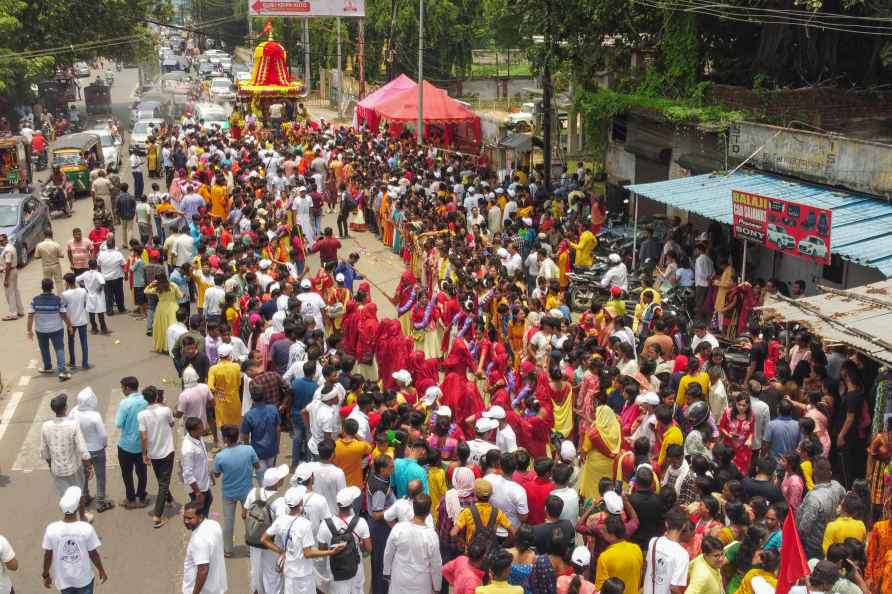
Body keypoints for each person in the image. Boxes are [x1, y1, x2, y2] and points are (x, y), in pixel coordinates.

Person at [260, 486, 344, 594]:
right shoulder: (305, 524)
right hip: (304, 576)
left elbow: (264, 539)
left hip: (289, 573)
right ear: (301, 502)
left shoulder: (280, 520)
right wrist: (331, 552)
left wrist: (281, 551)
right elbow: (308, 553)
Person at [39, 393, 94, 523]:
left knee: (65, 497)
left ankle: (71, 520)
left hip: (57, 470)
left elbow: (43, 450)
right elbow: (82, 448)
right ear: (65, 408)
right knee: (79, 494)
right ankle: (83, 518)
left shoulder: (46, 426)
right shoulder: (73, 425)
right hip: (74, 468)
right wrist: (89, 466)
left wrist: (50, 465)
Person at [42, 486, 108, 593]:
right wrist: (101, 570)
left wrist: (45, 574)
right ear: (78, 506)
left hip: (64, 581)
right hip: (84, 580)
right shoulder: (86, 529)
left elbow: (48, 555)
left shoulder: (51, 529)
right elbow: (93, 554)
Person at [212, 423, 260, 557]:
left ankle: (228, 550)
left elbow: (216, 474)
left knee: (228, 522)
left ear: (226, 439)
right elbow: (257, 465)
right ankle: (251, 549)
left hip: (229, 493)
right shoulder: (249, 449)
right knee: (249, 520)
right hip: (247, 491)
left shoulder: (220, 456)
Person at [317, 485, 372, 594]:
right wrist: (359, 545)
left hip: (335, 574)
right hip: (356, 572)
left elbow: (322, 551)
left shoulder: (325, 524)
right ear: (351, 504)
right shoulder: (361, 522)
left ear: (338, 505)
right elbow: (369, 549)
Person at [383, 493, 443, 594]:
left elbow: (388, 552)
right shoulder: (431, 536)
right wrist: (437, 587)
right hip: (421, 584)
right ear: (428, 512)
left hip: (399, 579)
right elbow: (436, 564)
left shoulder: (399, 528)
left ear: (413, 508)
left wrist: (386, 572)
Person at [243, 464, 289, 594]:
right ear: (278, 482)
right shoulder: (280, 501)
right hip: (271, 543)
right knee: (272, 574)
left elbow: (244, 512)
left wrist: (253, 528)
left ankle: (256, 590)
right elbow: (281, 525)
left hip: (253, 539)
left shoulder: (254, 492)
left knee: (256, 569)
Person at [67, 387, 113, 513]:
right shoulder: (95, 416)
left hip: (81, 450)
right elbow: (103, 435)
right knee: (100, 476)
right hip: (97, 449)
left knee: (84, 475)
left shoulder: (74, 412)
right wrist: (104, 444)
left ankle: (85, 496)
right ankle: (100, 502)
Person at [138, 385, 176, 528]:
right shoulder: (165, 410)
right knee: (163, 482)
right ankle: (157, 516)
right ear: (157, 397)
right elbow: (172, 423)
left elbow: (143, 436)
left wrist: (144, 454)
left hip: (153, 452)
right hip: (167, 451)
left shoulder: (141, 415)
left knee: (161, 479)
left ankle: (170, 500)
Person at [27, 278, 72, 380]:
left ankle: (47, 367)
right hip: (56, 329)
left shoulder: (35, 300)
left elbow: (30, 315)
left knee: (44, 348)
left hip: (41, 330)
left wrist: (29, 330)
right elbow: (63, 314)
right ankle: (62, 371)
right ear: (52, 287)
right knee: (59, 348)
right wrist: (69, 325)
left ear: (42, 287)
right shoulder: (57, 300)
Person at [116, 375, 149, 509]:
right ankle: (141, 497)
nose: (122, 390)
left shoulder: (125, 403)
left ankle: (130, 499)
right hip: (142, 445)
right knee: (142, 473)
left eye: (123, 388)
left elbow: (118, 423)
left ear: (128, 388)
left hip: (126, 446)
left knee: (127, 474)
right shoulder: (146, 400)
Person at [182, 500, 228, 594]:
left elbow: (203, 570)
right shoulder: (214, 524)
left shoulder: (198, 540)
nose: (186, 521)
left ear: (200, 516)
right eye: (184, 517)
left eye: (190, 518)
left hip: (202, 590)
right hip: (217, 587)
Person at [642, 507, 690, 594]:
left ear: (666, 524)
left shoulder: (654, 541)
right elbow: (674, 588)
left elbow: (646, 565)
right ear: (683, 526)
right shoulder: (682, 554)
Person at [596, 515, 644, 594]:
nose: (601, 531)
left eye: (604, 530)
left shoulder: (604, 557)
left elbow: (600, 589)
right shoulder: (636, 549)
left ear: (612, 536)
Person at [181, 417, 214, 518]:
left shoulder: (198, 438)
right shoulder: (188, 449)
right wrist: (197, 492)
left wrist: (209, 475)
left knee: (208, 500)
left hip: (204, 482)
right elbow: (187, 474)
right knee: (200, 513)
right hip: (198, 487)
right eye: (200, 428)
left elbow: (202, 460)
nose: (203, 429)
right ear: (192, 431)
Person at [62, 273, 90, 369]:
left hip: (71, 322)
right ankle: (85, 363)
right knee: (84, 343)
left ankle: (72, 361)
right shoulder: (83, 291)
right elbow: (85, 303)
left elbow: (63, 307)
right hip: (82, 320)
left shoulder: (65, 294)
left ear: (67, 283)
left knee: (71, 342)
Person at [0, 233, 23, 320]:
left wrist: (6, 279)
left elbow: (8, 264)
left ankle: (13, 313)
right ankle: (20, 311)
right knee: (15, 291)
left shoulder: (7, 250)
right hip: (13, 270)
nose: (1, 242)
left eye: (2, 240)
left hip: (9, 272)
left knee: (10, 294)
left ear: (6, 239)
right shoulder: (10, 246)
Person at [37, 228, 65, 293]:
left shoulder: (39, 245)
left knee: (47, 283)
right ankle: (60, 298)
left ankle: (49, 297)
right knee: (59, 282)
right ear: (52, 235)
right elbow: (61, 255)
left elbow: (36, 256)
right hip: (55, 265)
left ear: (44, 235)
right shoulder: (56, 244)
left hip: (46, 266)